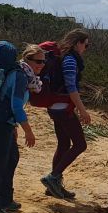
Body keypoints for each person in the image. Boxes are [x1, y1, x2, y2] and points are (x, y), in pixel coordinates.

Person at [0, 42, 38, 213]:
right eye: (40, 61)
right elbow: (16, 106)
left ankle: (5, 200)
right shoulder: (20, 76)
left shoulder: (19, 74)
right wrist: (28, 131)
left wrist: (12, 126)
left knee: (11, 159)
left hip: (1, 122)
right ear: (28, 59)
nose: (43, 65)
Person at [41, 29, 91, 199]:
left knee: (63, 144)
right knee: (80, 145)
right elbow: (71, 88)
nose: (86, 48)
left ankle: (53, 187)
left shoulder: (62, 57)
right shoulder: (70, 60)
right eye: (86, 44)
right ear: (78, 43)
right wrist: (83, 111)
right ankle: (53, 178)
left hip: (55, 107)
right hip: (63, 108)